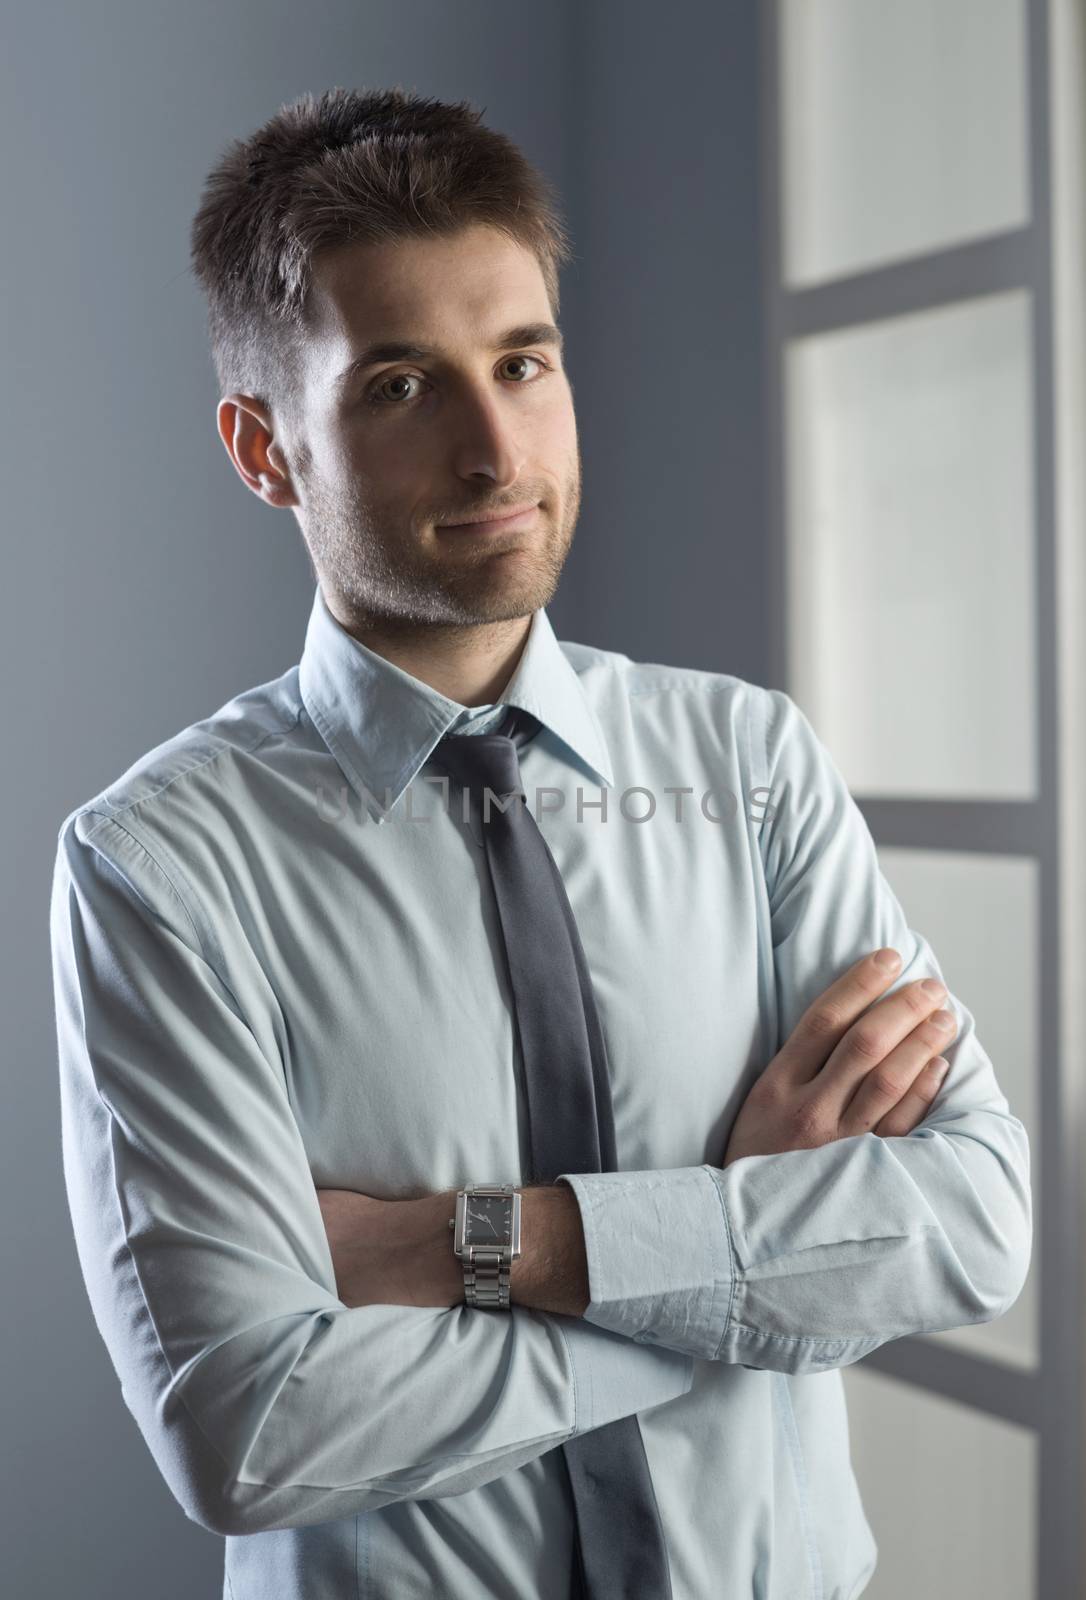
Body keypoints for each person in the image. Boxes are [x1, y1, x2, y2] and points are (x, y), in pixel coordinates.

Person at [49, 86, 1032, 1600]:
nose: (494, 449)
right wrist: (726, 1262)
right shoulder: (161, 866)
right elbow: (247, 1433)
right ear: (265, 450)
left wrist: (485, 1247)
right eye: (398, 386)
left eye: (523, 362)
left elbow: (967, 1222)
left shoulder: (747, 758)